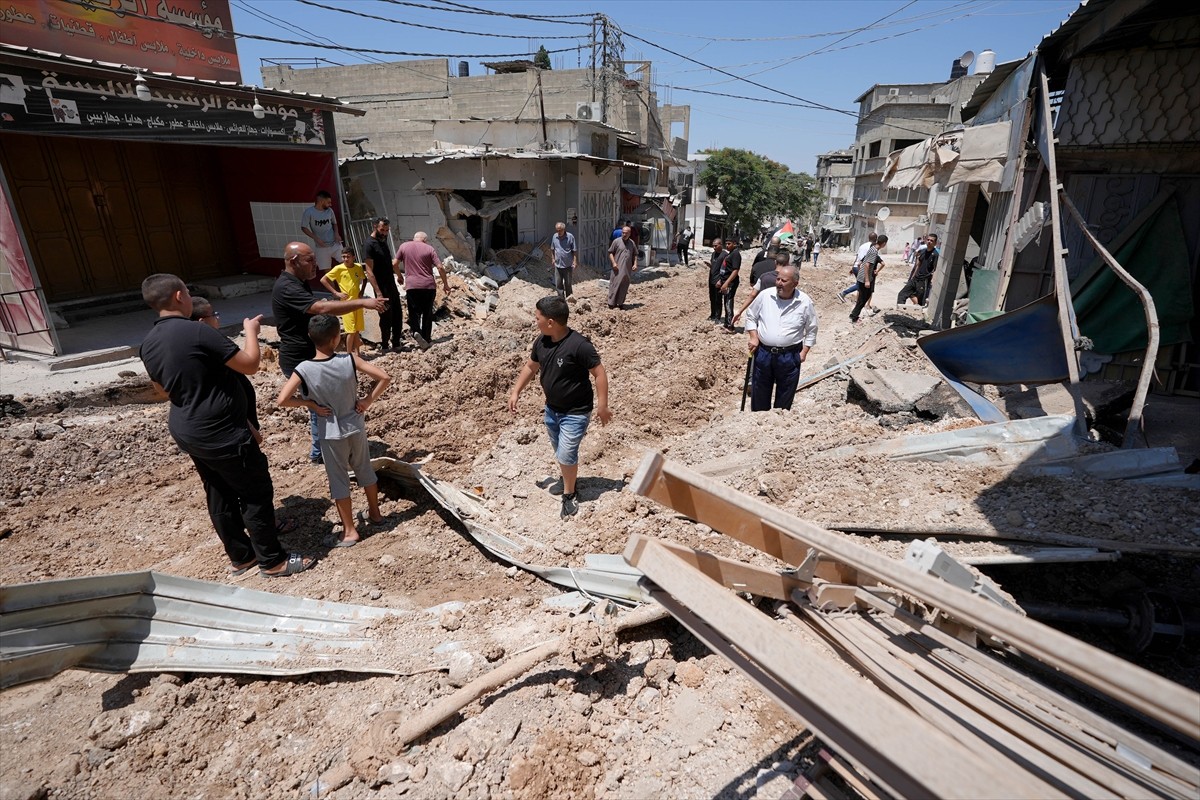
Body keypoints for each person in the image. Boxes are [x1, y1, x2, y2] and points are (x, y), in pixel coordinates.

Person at [139, 274, 314, 578]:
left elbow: (162, 389)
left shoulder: (149, 343)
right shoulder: (196, 332)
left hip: (187, 429)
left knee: (218, 491)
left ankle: (241, 557)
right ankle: (273, 561)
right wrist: (250, 331)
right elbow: (250, 364)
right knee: (255, 492)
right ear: (180, 296)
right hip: (221, 431)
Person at [276, 315, 392, 548]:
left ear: (310, 337)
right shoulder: (349, 360)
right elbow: (384, 377)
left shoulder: (304, 369)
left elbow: (282, 400)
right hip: (355, 426)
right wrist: (367, 400)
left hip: (330, 432)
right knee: (364, 468)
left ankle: (349, 531)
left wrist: (310, 405)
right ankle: (376, 514)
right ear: (337, 337)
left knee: (338, 479)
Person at [272, 242, 388, 464]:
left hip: (309, 354)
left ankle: (324, 451)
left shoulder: (298, 282)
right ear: (293, 261)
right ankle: (323, 454)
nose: (316, 264)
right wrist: (363, 302)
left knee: (320, 406)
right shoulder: (287, 286)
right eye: (310, 260)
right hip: (300, 357)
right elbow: (320, 309)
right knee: (321, 407)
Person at [507, 296, 611, 519]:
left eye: (538, 318)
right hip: (552, 410)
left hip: (576, 412)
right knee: (560, 450)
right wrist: (516, 391)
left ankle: (569, 494)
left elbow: (599, 373)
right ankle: (568, 476)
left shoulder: (579, 345)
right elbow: (530, 366)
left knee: (566, 453)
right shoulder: (542, 342)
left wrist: (603, 406)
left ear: (551, 321)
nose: (535, 321)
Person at [743, 265, 818, 412]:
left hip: (789, 355)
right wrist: (753, 336)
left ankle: (779, 423)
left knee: (785, 393)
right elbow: (751, 316)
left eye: (784, 280)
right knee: (760, 392)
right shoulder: (765, 295)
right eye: (778, 279)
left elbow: (812, 329)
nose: (778, 283)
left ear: (795, 283)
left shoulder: (804, 302)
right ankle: (759, 424)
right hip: (764, 353)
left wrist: (804, 352)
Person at [396, 231, 450, 349]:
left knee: (414, 312)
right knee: (427, 312)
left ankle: (416, 331)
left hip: (412, 286)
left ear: (414, 238)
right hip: (428, 286)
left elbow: (394, 263)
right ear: (425, 240)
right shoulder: (429, 249)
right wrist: (445, 284)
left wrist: (399, 276)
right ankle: (426, 338)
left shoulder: (404, 246)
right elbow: (440, 267)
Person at [320, 247, 372, 356]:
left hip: (357, 303)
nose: (345, 259)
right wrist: (336, 293)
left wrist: (362, 291)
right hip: (346, 304)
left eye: (348, 256)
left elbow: (364, 278)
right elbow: (323, 280)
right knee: (350, 331)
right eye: (343, 256)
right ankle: (349, 355)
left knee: (357, 330)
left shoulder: (358, 267)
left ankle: (358, 354)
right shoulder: (338, 269)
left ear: (353, 257)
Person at [364, 217, 403, 352]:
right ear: (375, 227)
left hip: (391, 284)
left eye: (386, 230)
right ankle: (385, 345)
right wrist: (378, 292)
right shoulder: (369, 244)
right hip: (381, 287)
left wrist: (399, 276)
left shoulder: (383, 240)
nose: (385, 233)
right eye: (382, 230)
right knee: (386, 316)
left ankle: (397, 343)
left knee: (398, 313)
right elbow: (369, 271)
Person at [732, 252, 791, 325]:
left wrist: (740, 311)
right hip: (781, 314)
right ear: (788, 264)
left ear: (775, 262)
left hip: (764, 312)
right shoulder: (789, 280)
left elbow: (753, 295)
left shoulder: (764, 277)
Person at [300, 190, 341, 272]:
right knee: (327, 273)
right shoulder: (309, 212)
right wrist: (316, 238)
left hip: (334, 243)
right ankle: (331, 285)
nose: (330, 204)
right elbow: (304, 227)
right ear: (321, 201)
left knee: (346, 262)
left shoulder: (330, 211)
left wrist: (336, 234)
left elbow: (334, 223)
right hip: (321, 246)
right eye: (328, 202)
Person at [850, 234, 887, 324]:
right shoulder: (874, 251)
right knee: (863, 297)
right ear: (884, 244)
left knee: (864, 296)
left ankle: (854, 314)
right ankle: (854, 317)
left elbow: (862, 263)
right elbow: (866, 265)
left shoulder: (873, 248)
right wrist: (866, 280)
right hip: (864, 278)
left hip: (864, 276)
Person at [898, 233, 940, 306]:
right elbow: (918, 265)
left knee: (921, 302)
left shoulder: (935, 254)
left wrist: (932, 281)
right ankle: (899, 312)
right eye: (928, 240)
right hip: (916, 278)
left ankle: (917, 308)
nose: (929, 241)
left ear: (935, 243)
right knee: (902, 294)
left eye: (931, 241)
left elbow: (935, 269)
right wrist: (912, 277)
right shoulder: (923, 251)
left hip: (924, 281)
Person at [607, 224, 638, 309]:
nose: (624, 235)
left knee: (624, 285)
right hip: (617, 268)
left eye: (626, 233)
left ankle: (620, 303)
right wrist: (613, 263)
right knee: (615, 284)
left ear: (629, 234)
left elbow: (635, 254)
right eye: (623, 233)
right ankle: (611, 303)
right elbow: (610, 252)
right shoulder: (616, 241)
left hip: (627, 269)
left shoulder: (632, 243)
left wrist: (635, 264)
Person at [715, 238, 742, 330]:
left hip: (730, 283)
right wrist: (721, 280)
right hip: (725, 281)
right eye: (726, 244)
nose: (727, 245)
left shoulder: (735, 254)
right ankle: (726, 323)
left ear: (734, 243)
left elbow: (735, 270)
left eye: (729, 244)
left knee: (728, 302)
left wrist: (726, 283)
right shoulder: (730, 253)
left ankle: (730, 325)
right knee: (726, 301)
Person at [550, 221, 578, 299]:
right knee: (558, 284)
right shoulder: (554, 237)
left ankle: (569, 298)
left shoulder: (570, 237)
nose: (558, 232)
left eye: (560, 230)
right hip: (558, 265)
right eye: (557, 230)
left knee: (568, 284)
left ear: (564, 229)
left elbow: (574, 250)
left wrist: (575, 261)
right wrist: (553, 258)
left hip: (568, 265)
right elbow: (552, 249)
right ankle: (561, 299)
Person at [707, 237, 725, 322]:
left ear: (720, 245)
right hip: (711, 279)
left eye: (716, 246)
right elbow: (714, 266)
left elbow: (725, 269)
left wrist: (721, 280)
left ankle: (718, 317)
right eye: (713, 246)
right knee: (712, 298)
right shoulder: (713, 254)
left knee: (718, 299)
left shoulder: (724, 255)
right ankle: (712, 314)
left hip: (718, 280)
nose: (714, 247)